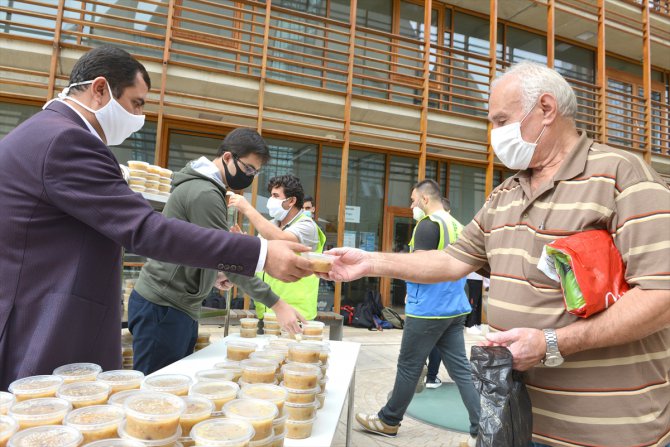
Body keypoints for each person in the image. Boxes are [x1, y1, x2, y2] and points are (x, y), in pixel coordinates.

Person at [323, 61, 670, 447]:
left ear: (546, 109)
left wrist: (552, 342)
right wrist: (371, 262)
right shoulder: (505, 194)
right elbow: (452, 261)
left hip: (604, 431)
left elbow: (661, 295)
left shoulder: (623, 176)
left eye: (500, 120)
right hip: (515, 422)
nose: (494, 134)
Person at [0, 45, 312, 390]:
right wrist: (262, 254)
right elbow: (146, 230)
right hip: (43, 318)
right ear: (100, 89)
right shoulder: (65, 139)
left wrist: (219, 271)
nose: (139, 116)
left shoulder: (46, 132)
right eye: (137, 103)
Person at [128, 128, 307, 375]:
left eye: (255, 173)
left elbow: (198, 249)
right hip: (164, 305)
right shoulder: (205, 193)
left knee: (171, 387)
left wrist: (215, 275)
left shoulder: (207, 188)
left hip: (174, 304)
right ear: (227, 158)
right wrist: (276, 303)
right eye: (248, 169)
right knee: (157, 394)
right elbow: (225, 254)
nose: (250, 177)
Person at [355, 180, 480, 445]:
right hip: (454, 307)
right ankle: (482, 428)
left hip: (428, 310)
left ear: (425, 199)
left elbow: (421, 267)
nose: (411, 206)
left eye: (413, 200)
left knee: (409, 366)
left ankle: (389, 420)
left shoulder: (428, 224)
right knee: (461, 371)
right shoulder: (457, 225)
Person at [229, 175, 325, 320]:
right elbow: (260, 255)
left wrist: (247, 209)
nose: (271, 200)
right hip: (267, 312)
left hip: (296, 314)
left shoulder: (307, 225)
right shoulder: (272, 225)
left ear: (292, 200)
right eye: (270, 195)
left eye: (275, 196)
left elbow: (282, 240)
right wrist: (246, 243)